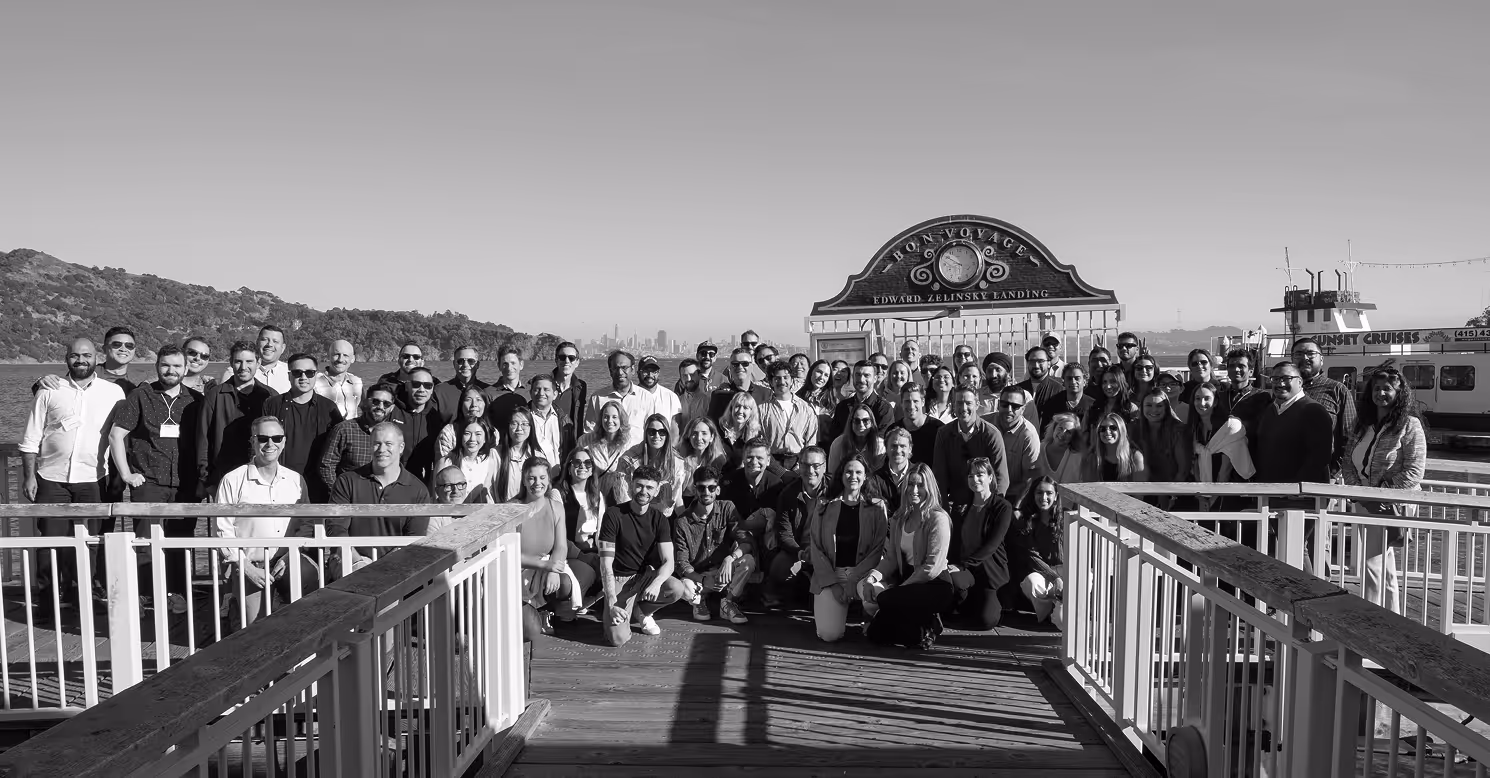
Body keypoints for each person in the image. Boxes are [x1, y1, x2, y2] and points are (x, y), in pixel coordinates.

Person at [20, 337, 127, 605]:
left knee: (89, 542)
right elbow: (31, 438)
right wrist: (29, 476)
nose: (81, 360)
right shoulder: (49, 390)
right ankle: (46, 600)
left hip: (93, 479)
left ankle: (83, 598)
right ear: (66, 357)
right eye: (75, 355)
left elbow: (123, 436)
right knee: (49, 542)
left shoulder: (113, 393)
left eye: (87, 355)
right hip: (51, 478)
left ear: (96, 357)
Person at [109, 345, 200, 612]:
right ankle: (146, 596)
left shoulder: (195, 400)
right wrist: (127, 474)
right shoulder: (141, 396)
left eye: (176, 366)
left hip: (185, 483)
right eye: (165, 365)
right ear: (156, 366)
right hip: (149, 482)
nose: (170, 371)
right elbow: (116, 435)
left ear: (185, 368)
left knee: (181, 543)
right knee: (146, 542)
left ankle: (178, 594)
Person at [1342, 366, 1425, 613]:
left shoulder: (1409, 425)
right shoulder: (1363, 424)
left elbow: (1414, 470)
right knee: (1382, 564)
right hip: (1364, 501)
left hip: (1391, 504)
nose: (1381, 393)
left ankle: (1370, 619)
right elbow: (1348, 463)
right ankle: (1392, 617)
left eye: (1387, 389)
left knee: (1372, 563)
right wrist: (1359, 493)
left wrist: (1381, 496)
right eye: (1376, 389)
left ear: (1399, 393)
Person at [213, 417, 308, 627]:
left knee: (302, 618)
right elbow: (223, 530)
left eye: (276, 438)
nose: (270, 444)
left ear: (284, 441)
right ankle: (235, 607)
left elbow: (305, 524)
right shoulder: (232, 480)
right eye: (263, 438)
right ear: (253, 441)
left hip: (287, 561)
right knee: (253, 628)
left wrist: (290, 556)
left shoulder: (296, 480)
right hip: (249, 565)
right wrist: (245, 567)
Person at [862, 464, 955, 649]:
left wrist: (900, 590)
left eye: (920, 485)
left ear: (929, 487)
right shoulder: (899, 518)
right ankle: (924, 621)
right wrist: (871, 578)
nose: (914, 490)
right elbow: (890, 560)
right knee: (876, 635)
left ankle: (926, 623)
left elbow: (932, 567)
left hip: (934, 584)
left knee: (885, 600)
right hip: (909, 584)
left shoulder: (938, 519)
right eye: (910, 484)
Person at [597, 465, 687, 646]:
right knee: (617, 639)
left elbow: (669, 561)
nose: (643, 491)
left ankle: (641, 610)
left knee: (677, 588)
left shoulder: (660, 519)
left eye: (649, 487)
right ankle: (621, 612)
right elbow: (605, 563)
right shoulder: (614, 514)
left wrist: (656, 583)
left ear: (657, 491)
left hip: (645, 576)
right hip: (620, 579)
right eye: (639, 485)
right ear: (631, 485)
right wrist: (612, 600)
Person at [326, 422, 431, 572]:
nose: (382, 449)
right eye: (376, 444)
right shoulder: (347, 481)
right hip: (350, 564)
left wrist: (380, 569)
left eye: (389, 444)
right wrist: (359, 563)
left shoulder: (418, 490)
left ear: (401, 448)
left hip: (397, 567)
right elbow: (336, 529)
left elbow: (413, 539)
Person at [807, 455, 888, 642]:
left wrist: (854, 578)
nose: (853, 476)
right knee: (829, 635)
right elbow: (816, 547)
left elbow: (878, 549)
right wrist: (833, 583)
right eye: (848, 471)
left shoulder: (877, 507)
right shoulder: (824, 504)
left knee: (878, 596)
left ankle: (870, 619)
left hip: (863, 574)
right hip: (831, 574)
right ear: (841, 475)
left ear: (866, 476)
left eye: (858, 472)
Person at [514, 457, 587, 639]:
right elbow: (508, 555)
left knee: (564, 583)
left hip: (543, 569)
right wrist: (546, 567)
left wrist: (553, 569)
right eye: (531, 478)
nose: (537, 483)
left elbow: (561, 546)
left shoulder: (556, 508)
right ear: (523, 480)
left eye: (542, 478)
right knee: (529, 632)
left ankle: (546, 609)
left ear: (548, 480)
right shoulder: (512, 508)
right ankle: (521, 612)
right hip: (516, 574)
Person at [673, 465, 755, 624]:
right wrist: (703, 580)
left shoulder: (727, 508)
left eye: (711, 487)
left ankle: (728, 602)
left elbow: (746, 541)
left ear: (717, 490)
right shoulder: (682, 522)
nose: (706, 492)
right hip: (698, 576)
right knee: (683, 586)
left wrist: (730, 558)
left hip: (724, 571)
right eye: (701, 488)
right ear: (695, 489)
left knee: (748, 561)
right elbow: (681, 563)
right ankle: (699, 602)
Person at [261, 354, 345, 503]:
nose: (303, 377)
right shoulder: (272, 405)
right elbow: (259, 443)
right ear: (289, 376)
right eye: (297, 372)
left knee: (315, 526)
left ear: (316, 375)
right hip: (279, 484)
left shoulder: (328, 408)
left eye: (309, 372)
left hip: (318, 486)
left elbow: (339, 451)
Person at [197, 341, 276, 499]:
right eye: (238, 361)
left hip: (261, 477)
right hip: (223, 477)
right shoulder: (215, 396)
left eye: (249, 361)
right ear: (231, 363)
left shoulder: (270, 397)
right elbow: (203, 439)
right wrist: (206, 480)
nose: (243, 366)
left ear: (258, 363)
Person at [946, 458, 1014, 630]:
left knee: (986, 621)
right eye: (971, 475)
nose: (975, 479)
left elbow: (992, 544)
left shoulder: (1002, 507)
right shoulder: (963, 506)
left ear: (990, 477)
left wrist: (963, 564)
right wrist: (952, 564)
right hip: (967, 571)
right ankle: (965, 603)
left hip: (989, 573)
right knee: (948, 581)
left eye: (980, 474)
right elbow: (955, 541)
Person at [766, 446, 828, 609]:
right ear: (799, 466)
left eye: (816, 465)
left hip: (827, 550)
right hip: (800, 548)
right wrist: (800, 552)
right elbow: (784, 533)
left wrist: (820, 552)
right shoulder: (788, 494)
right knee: (780, 567)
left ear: (824, 466)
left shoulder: (834, 492)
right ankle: (774, 595)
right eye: (805, 465)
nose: (810, 470)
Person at [1292, 337, 1357, 480]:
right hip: (1286, 476)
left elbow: (1350, 438)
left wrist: (1335, 474)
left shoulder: (1337, 390)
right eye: (1298, 354)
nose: (1304, 358)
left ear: (1322, 360)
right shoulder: (1283, 391)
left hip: (1324, 477)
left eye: (1310, 353)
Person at [933, 387, 1009, 508]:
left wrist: (991, 510)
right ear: (953, 405)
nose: (963, 408)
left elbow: (1001, 478)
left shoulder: (991, 435)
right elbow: (939, 475)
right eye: (959, 403)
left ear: (977, 404)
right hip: (956, 505)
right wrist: (943, 509)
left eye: (968, 403)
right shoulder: (944, 434)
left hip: (985, 505)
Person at [1187, 382, 1255, 513]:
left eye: (1207, 398)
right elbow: (1194, 462)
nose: (1201, 403)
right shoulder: (1194, 427)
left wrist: (1212, 499)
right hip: (1203, 492)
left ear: (1216, 401)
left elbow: (1225, 470)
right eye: (1197, 398)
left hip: (1230, 492)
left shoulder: (1230, 426)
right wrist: (1201, 496)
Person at [319, 384, 401, 491]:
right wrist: (341, 494)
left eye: (386, 403)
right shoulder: (344, 430)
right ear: (366, 402)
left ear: (392, 408)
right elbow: (326, 466)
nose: (380, 407)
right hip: (350, 498)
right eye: (375, 401)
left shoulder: (394, 434)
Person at [1008, 477, 1064, 629]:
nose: (1044, 498)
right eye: (1039, 492)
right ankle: (1048, 611)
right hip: (1043, 572)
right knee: (1031, 582)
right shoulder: (1029, 521)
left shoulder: (1066, 519)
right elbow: (1032, 557)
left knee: (1062, 622)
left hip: (1066, 570)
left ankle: (1061, 607)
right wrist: (1055, 578)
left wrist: (1062, 578)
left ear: (1056, 495)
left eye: (1049, 493)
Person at [720, 438, 786, 554]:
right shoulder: (728, 482)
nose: (754, 462)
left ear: (768, 461)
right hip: (734, 538)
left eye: (760, 458)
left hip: (765, 541)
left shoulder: (776, 485)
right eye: (750, 457)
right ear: (743, 459)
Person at [556, 448, 606, 597]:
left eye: (587, 463)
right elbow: (556, 533)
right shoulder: (558, 494)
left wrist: (603, 557)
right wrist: (581, 555)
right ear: (569, 469)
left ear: (592, 470)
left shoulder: (597, 496)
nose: (582, 466)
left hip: (593, 551)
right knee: (588, 573)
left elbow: (601, 530)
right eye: (577, 462)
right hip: (569, 553)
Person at [619, 413, 686, 517]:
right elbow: (623, 497)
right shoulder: (629, 460)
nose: (657, 436)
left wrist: (686, 523)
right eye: (652, 432)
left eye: (662, 432)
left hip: (662, 519)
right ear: (646, 433)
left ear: (667, 434)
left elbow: (678, 499)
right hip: (634, 516)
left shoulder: (677, 462)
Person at [758, 360, 818, 471]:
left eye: (786, 377)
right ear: (770, 382)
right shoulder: (762, 409)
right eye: (777, 378)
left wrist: (802, 464)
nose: (782, 382)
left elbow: (811, 441)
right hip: (772, 462)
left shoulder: (806, 409)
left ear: (792, 380)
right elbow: (759, 441)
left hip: (799, 461)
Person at [1134, 387, 1190, 498]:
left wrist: (1172, 495)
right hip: (1142, 489)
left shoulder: (1178, 430)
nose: (1154, 410)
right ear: (1142, 407)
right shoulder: (1133, 428)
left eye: (1159, 406)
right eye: (1149, 405)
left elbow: (1183, 470)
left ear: (1166, 408)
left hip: (1172, 490)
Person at [586, 350, 649, 449]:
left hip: (636, 459)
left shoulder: (646, 397)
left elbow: (652, 431)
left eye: (624, 368)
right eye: (615, 368)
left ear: (632, 369)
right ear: (610, 371)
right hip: (605, 458)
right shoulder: (598, 398)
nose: (620, 372)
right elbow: (589, 433)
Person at [992, 386, 1041, 503]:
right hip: (983, 493)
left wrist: (1016, 507)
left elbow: (1030, 478)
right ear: (998, 404)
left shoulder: (1029, 435)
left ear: (1023, 409)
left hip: (1013, 496)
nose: (1009, 409)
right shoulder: (985, 424)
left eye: (1015, 406)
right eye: (1005, 404)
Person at [432, 416, 501, 498]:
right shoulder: (446, 462)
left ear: (485, 438)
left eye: (478, 434)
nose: (472, 439)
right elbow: (436, 496)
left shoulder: (489, 462)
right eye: (467, 434)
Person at [391, 366, 439, 481]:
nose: (422, 390)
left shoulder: (436, 416)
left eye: (428, 386)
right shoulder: (392, 410)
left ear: (432, 389)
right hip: (393, 478)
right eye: (416, 384)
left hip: (424, 482)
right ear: (407, 386)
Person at [579, 400, 632, 505]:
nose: (609, 421)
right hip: (592, 497)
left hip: (620, 499)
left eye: (614, 417)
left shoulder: (629, 445)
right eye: (606, 416)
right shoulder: (586, 440)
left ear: (621, 419)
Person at [828, 360, 896, 439]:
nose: (861, 380)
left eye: (866, 375)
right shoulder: (842, 407)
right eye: (858, 375)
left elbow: (882, 440)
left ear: (875, 378)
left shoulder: (884, 408)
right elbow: (835, 439)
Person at [708, 347, 772, 425]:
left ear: (751, 367)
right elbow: (712, 426)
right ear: (730, 368)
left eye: (745, 364)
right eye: (735, 364)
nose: (740, 367)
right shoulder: (719, 396)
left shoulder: (766, 394)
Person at [430, 345, 490, 428]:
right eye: (460, 361)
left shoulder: (487, 391)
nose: (465, 365)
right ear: (454, 364)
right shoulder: (440, 391)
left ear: (477, 364)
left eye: (471, 361)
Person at [220, 325, 290, 394]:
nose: (270, 344)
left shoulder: (292, 373)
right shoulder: (233, 372)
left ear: (283, 348)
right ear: (257, 342)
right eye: (265, 339)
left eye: (275, 341)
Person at [495, 406, 544, 502]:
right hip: (502, 511)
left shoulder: (538, 456)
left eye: (524, 424)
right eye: (514, 424)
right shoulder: (496, 454)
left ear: (531, 427)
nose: (519, 428)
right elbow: (489, 489)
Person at [528, 373, 574, 476]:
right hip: (531, 480)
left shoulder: (565, 421)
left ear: (555, 394)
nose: (541, 393)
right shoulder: (523, 419)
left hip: (558, 479)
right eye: (537, 389)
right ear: (530, 393)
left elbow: (569, 452)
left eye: (546, 389)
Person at [890, 383, 942, 466]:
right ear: (901, 403)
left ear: (923, 402)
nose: (911, 406)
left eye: (915, 401)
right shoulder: (893, 431)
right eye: (907, 401)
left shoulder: (938, 429)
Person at [1086, 412, 1146, 482]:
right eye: (1102, 429)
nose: (1107, 432)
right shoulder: (1093, 457)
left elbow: (1139, 489)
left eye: (1113, 428)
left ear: (1121, 430)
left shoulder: (1135, 457)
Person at [377, 341, 438, 410]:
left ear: (422, 362)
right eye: (406, 356)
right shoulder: (386, 381)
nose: (411, 360)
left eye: (416, 357)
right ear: (399, 360)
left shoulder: (435, 384)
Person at [828, 404, 887, 476]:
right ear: (851, 422)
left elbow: (880, 477)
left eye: (866, 420)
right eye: (856, 420)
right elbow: (832, 475)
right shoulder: (838, 444)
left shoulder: (881, 446)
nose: (861, 425)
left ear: (872, 423)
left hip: (873, 485)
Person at [435, 384, 490, 460]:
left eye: (478, 400)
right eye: (468, 400)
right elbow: (442, 465)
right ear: (461, 405)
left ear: (485, 405)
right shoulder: (449, 433)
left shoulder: (493, 433)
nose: (474, 405)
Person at [1038, 364, 1094, 437]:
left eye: (1077, 378)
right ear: (1063, 382)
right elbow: (1045, 433)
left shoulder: (1093, 405)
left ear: (1084, 381)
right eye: (1069, 378)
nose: (1073, 382)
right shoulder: (1053, 404)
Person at [314, 339, 363, 422]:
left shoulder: (357, 382)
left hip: (350, 433)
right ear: (328, 356)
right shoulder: (315, 383)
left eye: (345, 355)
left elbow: (366, 409)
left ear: (353, 359)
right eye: (336, 354)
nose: (340, 359)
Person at [1016, 346, 1064, 430]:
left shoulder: (1059, 390)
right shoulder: (1018, 390)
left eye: (1041, 361)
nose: (1036, 365)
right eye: (1032, 361)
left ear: (1049, 363)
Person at [868, 427, 913, 514]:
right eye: (894, 446)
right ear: (886, 448)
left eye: (903, 446)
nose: (898, 450)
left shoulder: (919, 475)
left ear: (910, 449)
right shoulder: (875, 479)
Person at [634, 355, 681, 435]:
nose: (650, 375)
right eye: (646, 371)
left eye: (654, 371)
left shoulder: (671, 397)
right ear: (638, 372)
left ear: (658, 373)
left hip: (663, 446)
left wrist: (671, 447)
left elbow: (675, 430)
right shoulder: (631, 396)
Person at [1085, 365, 1139, 436]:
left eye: (1113, 381)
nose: (1108, 386)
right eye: (1104, 382)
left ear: (1121, 382)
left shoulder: (1131, 409)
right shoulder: (1093, 408)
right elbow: (1084, 435)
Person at [486, 345, 529, 431]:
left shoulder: (530, 391)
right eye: (505, 364)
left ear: (521, 365)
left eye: (513, 363)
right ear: (499, 366)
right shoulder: (488, 393)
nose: (509, 368)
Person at [718, 392, 763, 472]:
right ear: (731, 408)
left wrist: (783, 473)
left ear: (751, 412)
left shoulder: (756, 436)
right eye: (737, 406)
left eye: (745, 408)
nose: (740, 411)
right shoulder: (719, 430)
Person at [552, 341, 589, 437]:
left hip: (572, 446)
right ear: (556, 360)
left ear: (577, 362)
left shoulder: (581, 387)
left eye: (571, 358)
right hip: (548, 444)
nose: (567, 361)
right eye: (562, 357)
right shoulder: (544, 386)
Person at [1037, 412, 1085, 483]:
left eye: (1068, 432)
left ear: (1074, 436)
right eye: (1060, 428)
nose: (1062, 434)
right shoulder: (1037, 449)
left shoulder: (1078, 457)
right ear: (1054, 428)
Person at [797, 359, 837, 445]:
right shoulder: (798, 398)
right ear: (811, 372)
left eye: (826, 375)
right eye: (819, 372)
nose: (821, 377)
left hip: (826, 447)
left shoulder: (832, 400)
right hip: (803, 446)